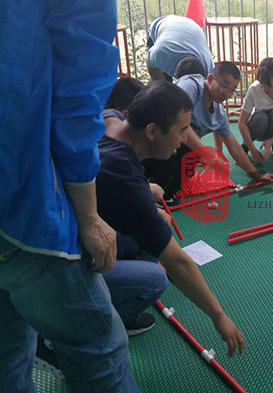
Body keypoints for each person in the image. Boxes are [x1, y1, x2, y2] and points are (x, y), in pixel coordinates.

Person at [0, 0, 139, 391]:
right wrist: (89, 218)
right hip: (21, 196)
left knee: (7, 346)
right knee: (98, 349)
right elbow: (78, 104)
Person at [97, 81, 246, 357]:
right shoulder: (126, 179)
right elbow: (178, 263)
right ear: (152, 131)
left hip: (87, 228)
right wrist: (218, 315)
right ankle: (82, 327)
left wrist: (145, 188)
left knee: (158, 227)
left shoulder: (111, 119)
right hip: (66, 261)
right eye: (181, 130)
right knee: (156, 279)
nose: (184, 138)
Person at [144, 61, 273, 200]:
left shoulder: (219, 113)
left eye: (232, 90)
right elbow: (176, 121)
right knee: (185, 146)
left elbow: (233, 146)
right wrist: (207, 154)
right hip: (152, 141)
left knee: (190, 153)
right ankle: (148, 188)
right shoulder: (191, 85)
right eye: (224, 85)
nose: (227, 93)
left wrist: (255, 175)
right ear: (210, 79)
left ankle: (162, 194)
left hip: (173, 150)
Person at [146, 14, 214, 82]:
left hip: (189, 27)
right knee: (162, 84)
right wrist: (163, 85)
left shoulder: (208, 70)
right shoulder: (160, 54)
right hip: (164, 24)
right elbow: (151, 65)